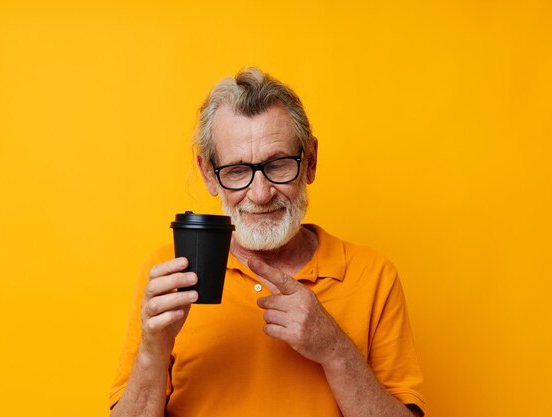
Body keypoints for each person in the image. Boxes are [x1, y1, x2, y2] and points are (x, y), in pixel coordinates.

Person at [109, 68, 425, 417]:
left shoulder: (373, 275)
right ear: (207, 174)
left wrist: (335, 349)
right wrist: (153, 351)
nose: (260, 195)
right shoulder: (169, 274)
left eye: (278, 165)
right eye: (237, 171)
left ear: (310, 162)